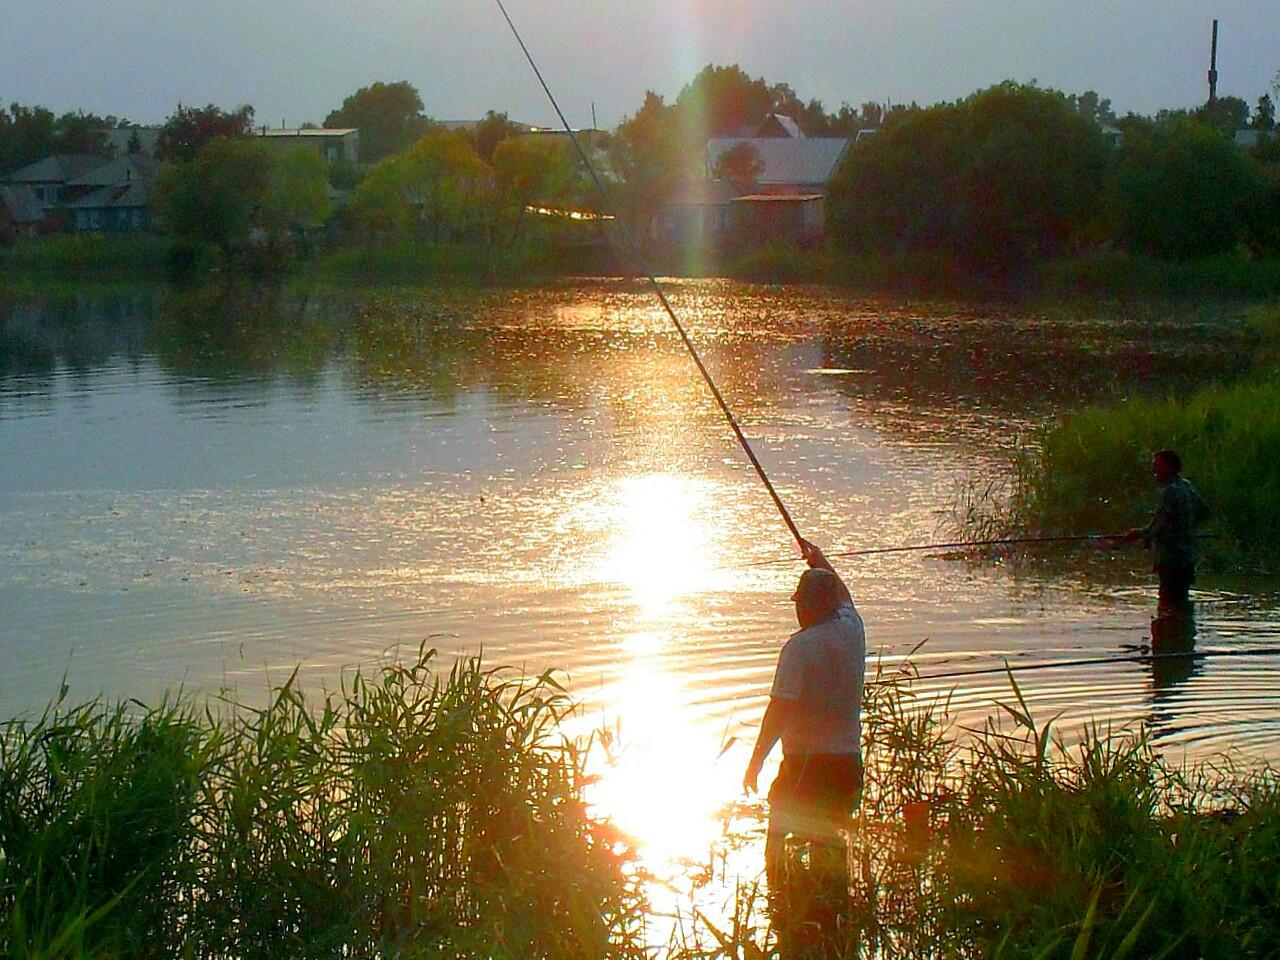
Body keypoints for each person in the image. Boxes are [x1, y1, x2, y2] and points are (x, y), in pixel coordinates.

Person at [743, 538, 866, 923]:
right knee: (831, 850)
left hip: (806, 769)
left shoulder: (798, 649)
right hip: (848, 766)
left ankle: (783, 916)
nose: (797, 609)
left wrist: (755, 761)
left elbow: (779, 711)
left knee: (777, 843)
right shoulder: (853, 628)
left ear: (808, 606)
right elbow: (843, 594)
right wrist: (821, 559)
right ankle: (836, 930)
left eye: (799, 603)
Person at [1124, 449, 1210, 648]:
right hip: (1187, 558)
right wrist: (1185, 528)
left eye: (1158, 466)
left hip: (1171, 560)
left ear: (1170, 468)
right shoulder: (1187, 487)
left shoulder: (1171, 491)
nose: (1154, 470)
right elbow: (1204, 513)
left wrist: (1137, 534)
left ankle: (1168, 646)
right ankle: (1180, 643)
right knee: (1180, 603)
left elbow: (1157, 526)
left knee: (1168, 605)